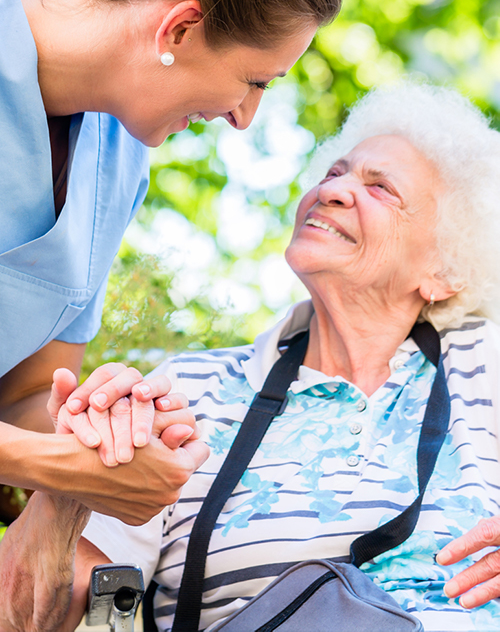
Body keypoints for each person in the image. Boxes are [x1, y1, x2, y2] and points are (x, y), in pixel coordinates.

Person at [6, 80, 500, 631]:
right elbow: (51, 619)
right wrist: (67, 495)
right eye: (334, 173)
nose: (332, 191)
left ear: (446, 272)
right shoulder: (187, 392)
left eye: (381, 188)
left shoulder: (484, 367)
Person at [0, 0, 345, 522]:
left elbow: (23, 395)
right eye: (256, 81)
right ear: (179, 30)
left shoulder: (120, 160)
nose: (244, 118)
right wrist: (48, 464)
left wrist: (108, 432)